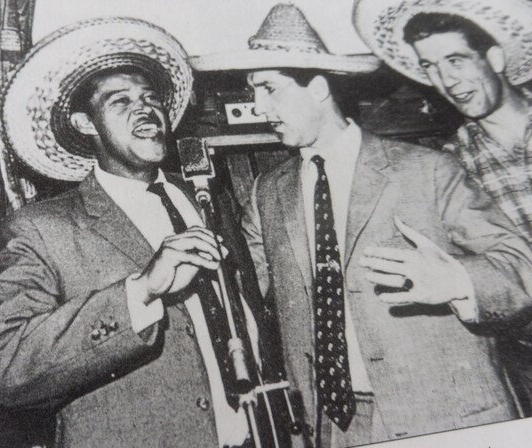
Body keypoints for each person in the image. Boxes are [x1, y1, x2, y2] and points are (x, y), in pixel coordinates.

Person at [192, 4, 532, 447]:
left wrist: (460, 280)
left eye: (269, 89)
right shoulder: (266, 192)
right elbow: (243, 294)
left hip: (446, 416)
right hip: (332, 427)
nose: (258, 107)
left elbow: (519, 264)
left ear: (316, 88)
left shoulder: (429, 169)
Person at [0, 17, 266, 448]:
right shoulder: (40, 228)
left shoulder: (209, 198)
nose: (146, 109)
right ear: (85, 124)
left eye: (151, 98)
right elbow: (6, 371)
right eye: (120, 102)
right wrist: (141, 291)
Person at [354, 0, 532, 416]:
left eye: (456, 59)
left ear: (495, 57)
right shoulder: (449, 165)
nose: (446, 79)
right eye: (430, 66)